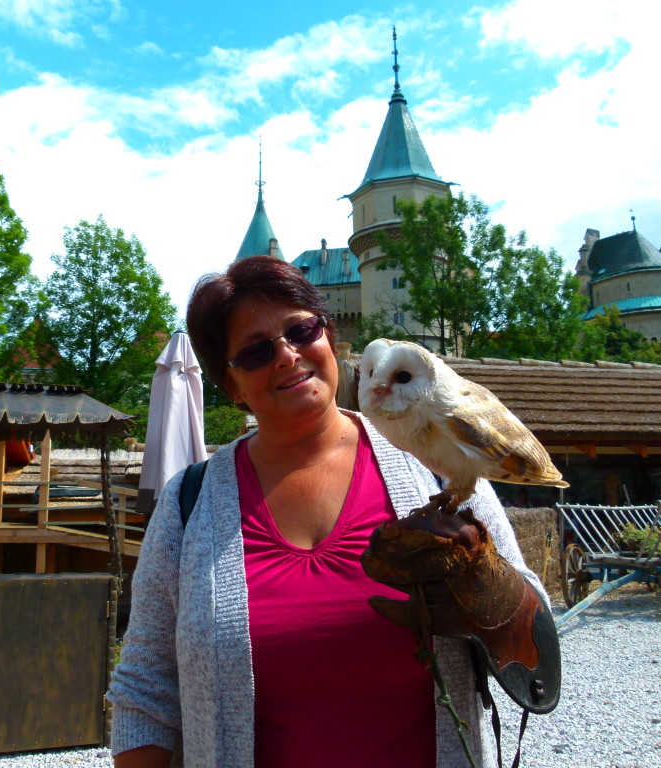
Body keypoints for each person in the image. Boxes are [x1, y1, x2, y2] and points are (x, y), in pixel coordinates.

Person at [106, 256, 546, 768]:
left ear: (331, 337)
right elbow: (144, 689)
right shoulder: (190, 502)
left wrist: (486, 585)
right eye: (254, 352)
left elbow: (535, 641)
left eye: (302, 329)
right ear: (231, 385)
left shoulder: (433, 465)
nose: (287, 356)